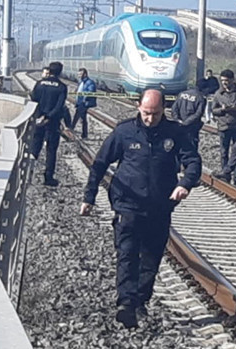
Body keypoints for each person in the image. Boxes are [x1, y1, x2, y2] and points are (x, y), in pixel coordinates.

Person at [80, 89, 201, 329]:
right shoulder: (124, 132)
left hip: (159, 206)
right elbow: (100, 164)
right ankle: (125, 303)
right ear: (138, 107)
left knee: (151, 257)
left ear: (163, 110)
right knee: (126, 253)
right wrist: (89, 197)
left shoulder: (174, 133)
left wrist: (184, 184)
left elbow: (193, 162)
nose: (150, 118)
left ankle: (140, 301)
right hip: (128, 203)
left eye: (155, 114)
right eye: (146, 113)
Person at [30, 61, 68, 187]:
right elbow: (59, 106)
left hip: (38, 121)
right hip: (53, 122)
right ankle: (48, 177)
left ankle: (28, 173)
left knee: (35, 147)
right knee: (51, 150)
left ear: (49, 71)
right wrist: (49, 116)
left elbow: (33, 100)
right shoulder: (62, 87)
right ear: (60, 72)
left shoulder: (39, 84)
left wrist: (40, 115)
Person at [212, 70, 236, 186]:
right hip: (224, 127)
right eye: (222, 81)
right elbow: (213, 110)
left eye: (226, 81)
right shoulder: (218, 94)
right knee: (224, 152)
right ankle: (225, 175)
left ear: (232, 80)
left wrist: (235, 108)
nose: (224, 83)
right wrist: (222, 109)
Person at [170, 83, 206, 150]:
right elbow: (198, 114)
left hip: (179, 124)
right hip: (192, 126)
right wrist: (186, 122)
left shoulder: (181, 94)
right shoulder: (200, 97)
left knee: (179, 144)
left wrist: (177, 119)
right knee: (192, 146)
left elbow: (174, 108)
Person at [70, 67, 97, 140]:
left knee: (79, 117)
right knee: (81, 117)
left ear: (85, 74)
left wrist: (84, 98)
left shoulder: (89, 82)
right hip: (80, 102)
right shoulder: (81, 82)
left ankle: (73, 130)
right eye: (78, 74)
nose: (79, 76)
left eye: (80, 74)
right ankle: (82, 134)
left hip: (84, 103)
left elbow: (90, 92)